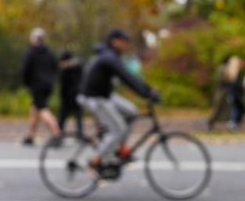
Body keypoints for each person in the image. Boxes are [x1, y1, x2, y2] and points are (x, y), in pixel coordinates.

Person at [78, 28, 159, 173]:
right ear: (114, 42)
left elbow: (129, 75)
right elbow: (126, 77)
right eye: (123, 42)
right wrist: (147, 93)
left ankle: (120, 147)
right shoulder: (108, 57)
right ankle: (95, 162)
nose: (126, 45)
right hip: (93, 97)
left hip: (104, 95)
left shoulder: (112, 55)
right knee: (118, 128)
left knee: (132, 112)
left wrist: (146, 90)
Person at [21, 27, 61, 146]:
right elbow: (55, 67)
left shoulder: (31, 52)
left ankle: (56, 134)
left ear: (34, 38)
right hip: (48, 84)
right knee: (35, 108)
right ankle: (30, 136)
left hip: (37, 85)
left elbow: (25, 70)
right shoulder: (49, 52)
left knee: (42, 109)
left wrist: (27, 83)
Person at [56, 50, 84, 137]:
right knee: (75, 115)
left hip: (70, 96)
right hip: (75, 95)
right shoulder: (74, 67)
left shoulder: (75, 66)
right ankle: (60, 132)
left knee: (66, 115)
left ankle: (59, 133)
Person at [207, 55, 231, 131]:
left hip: (222, 92)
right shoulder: (222, 68)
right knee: (218, 108)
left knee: (225, 109)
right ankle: (212, 121)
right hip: (221, 92)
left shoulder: (221, 68)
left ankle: (227, 124)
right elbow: (221, 80)